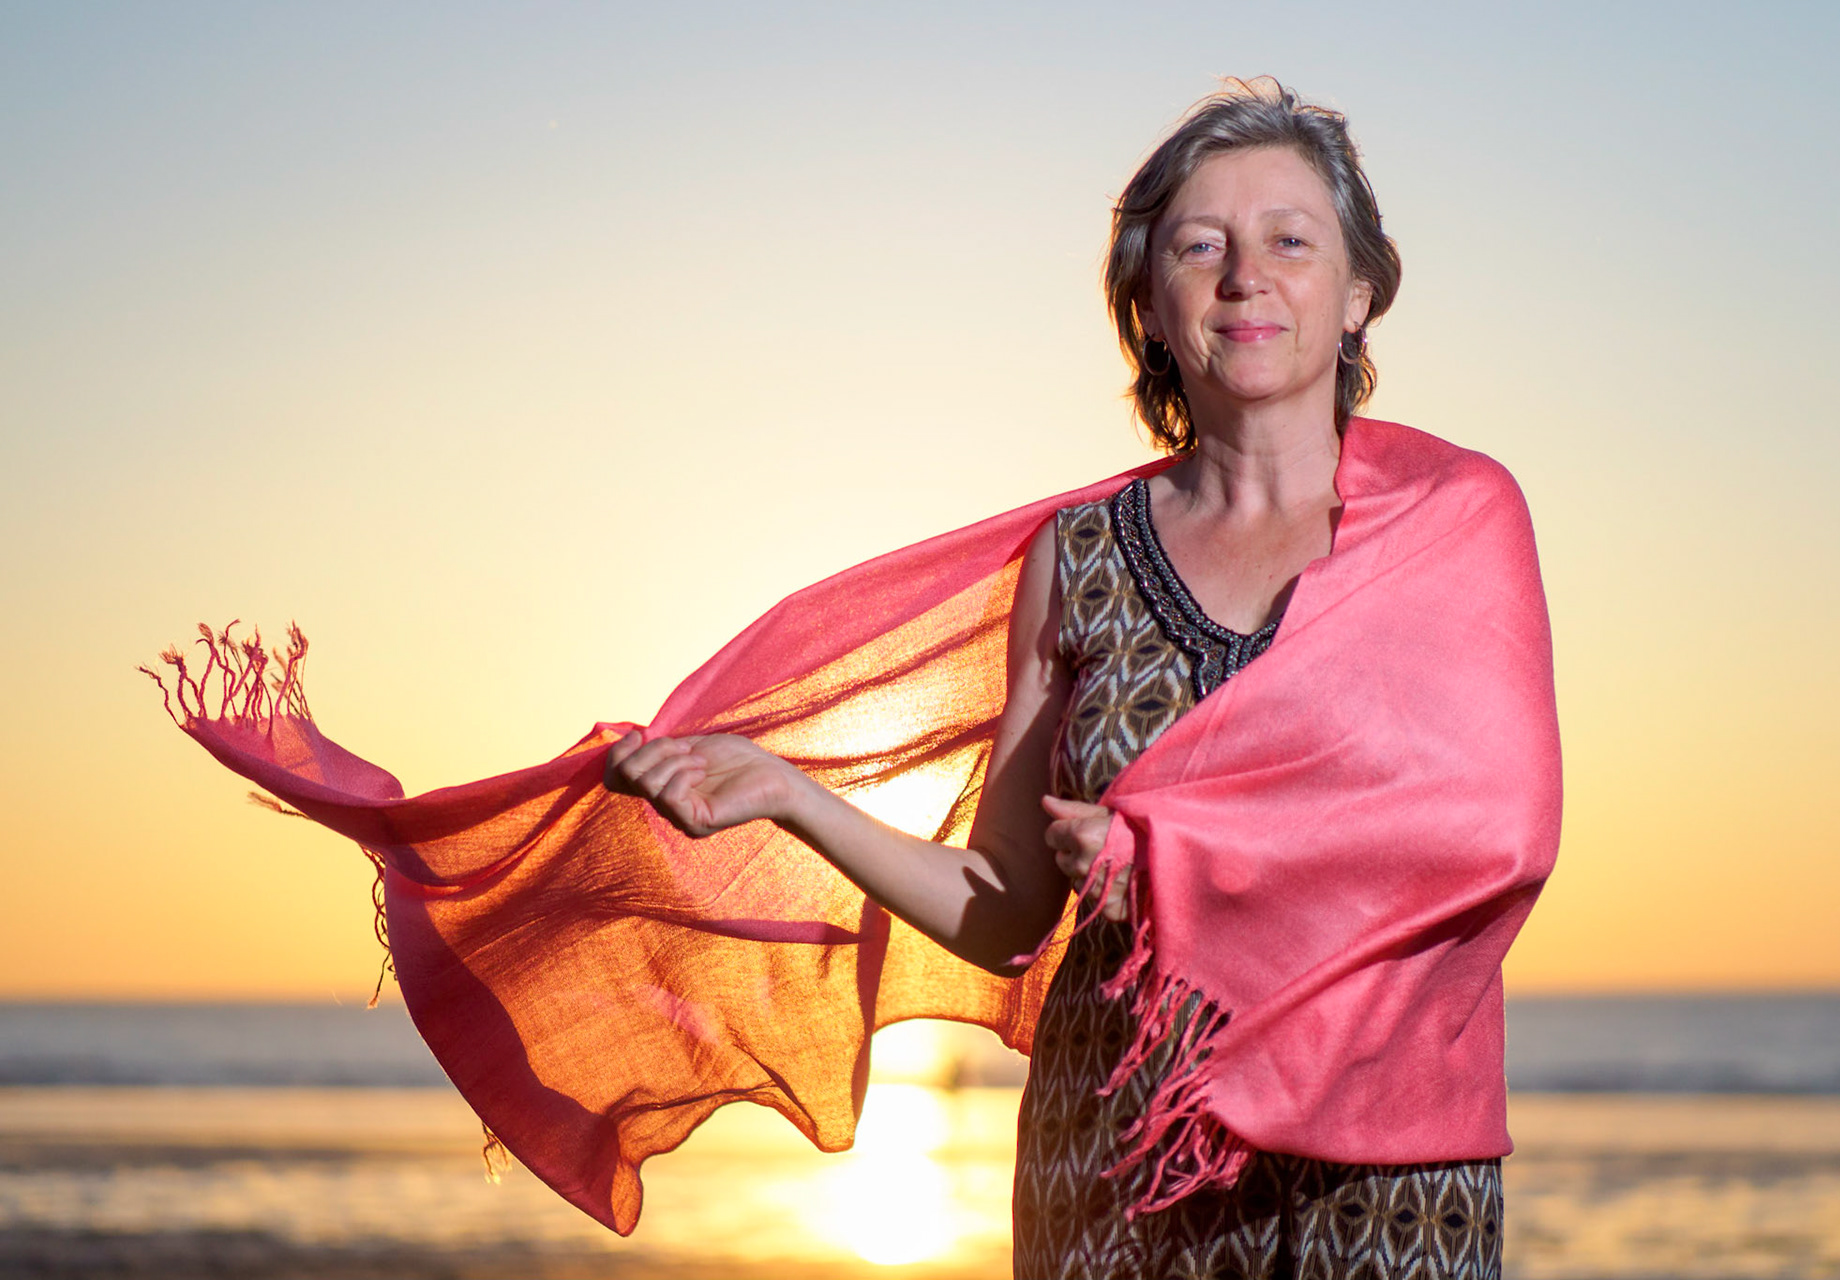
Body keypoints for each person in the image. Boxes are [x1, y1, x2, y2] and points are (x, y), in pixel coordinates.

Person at [603, 78, 1542, 1279]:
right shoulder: (1083, 559)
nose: (1246, 274)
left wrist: (1167, 861)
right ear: (1150, 304)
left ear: (1359, 291)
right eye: (1202, 246)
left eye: (1290, 242)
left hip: (1385, 1176)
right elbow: (1002, 909)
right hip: (1114, 1164)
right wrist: (792, 793)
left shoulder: (1455, 523)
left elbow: (1494, 827)